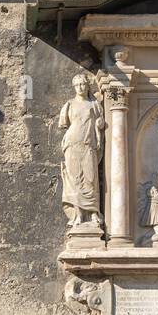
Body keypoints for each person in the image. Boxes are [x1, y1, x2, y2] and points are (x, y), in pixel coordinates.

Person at [57, 73, 105, 231]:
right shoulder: (69, 104)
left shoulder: (94, 104)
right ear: (74, 87)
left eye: (83, 84)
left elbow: (101, 122)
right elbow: (65, 124)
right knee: (75, 178)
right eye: (77, 85)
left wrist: (100, 124)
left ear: (87, 85)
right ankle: (78, 214)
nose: (80, 88)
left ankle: (93, 212)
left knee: (91, 178)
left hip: (88, 144)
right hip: (72, 143)